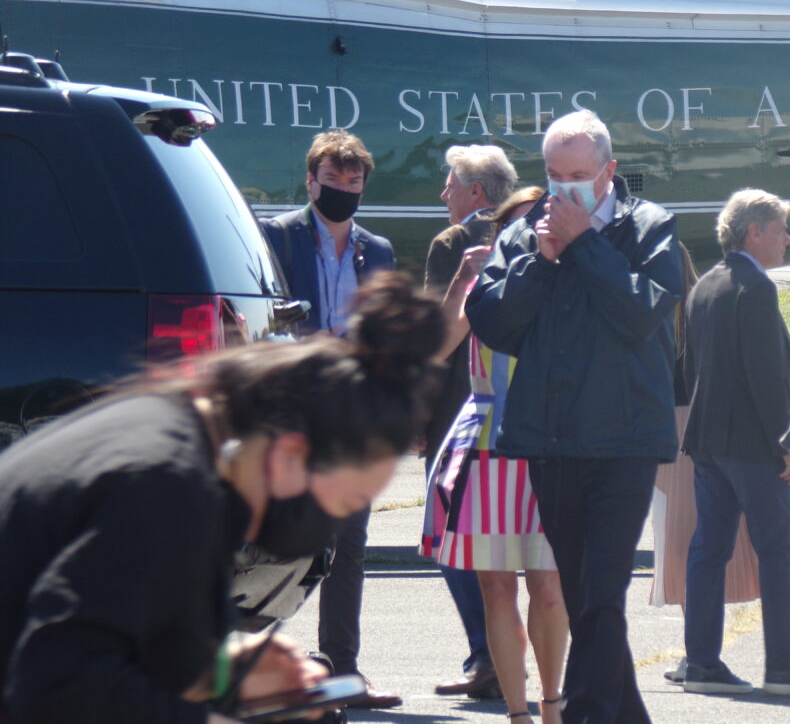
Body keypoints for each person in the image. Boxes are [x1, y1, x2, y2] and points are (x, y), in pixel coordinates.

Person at [0, 272, 445, 724]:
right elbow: (59, 687)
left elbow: (110, 633)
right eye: (345, 503)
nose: (336, 526)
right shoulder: (166, 487)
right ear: (292, 455)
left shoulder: (182, 439)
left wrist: (224, 668)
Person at [466, 109, 683, 724]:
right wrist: (542, 259)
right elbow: (494, 325)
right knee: (587, 595)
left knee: (603, 591)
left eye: (580, 174)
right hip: (551, 440)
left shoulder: (650, 226)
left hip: (626, 441)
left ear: (609, 171)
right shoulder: (524, 234)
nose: (566, 188)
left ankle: (587, 714)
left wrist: (585, 244)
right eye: (556, 175)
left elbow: (643, 315)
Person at [680, 189, 790, 697]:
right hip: (751, 446)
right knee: (777, 549)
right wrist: (788, 443)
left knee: (708, 550)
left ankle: (701, 662)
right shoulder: (755, 288)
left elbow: (689, 369)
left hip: (707, 442)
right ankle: (783, 662)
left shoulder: (705, 285)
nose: (789, 239)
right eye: (781, 229)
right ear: (755, 232)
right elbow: (766, 375)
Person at [259, 129, 400, 709]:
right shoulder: (277, 236)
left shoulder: (379, 251)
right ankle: (263, 674)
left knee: (349, 547)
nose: (344, 189)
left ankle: (343, 671)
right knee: (271, 550)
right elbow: (262, 318)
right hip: (291, 418)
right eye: (333, 179)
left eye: (353, 180)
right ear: (311, 180)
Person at [422, 186, 568, 724]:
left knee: (549, 584)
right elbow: (436, 347)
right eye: (519, 224)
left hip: (551, 443)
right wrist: (463, 278)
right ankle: (517, 713)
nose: (532, 232)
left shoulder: (565, 279)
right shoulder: (483, 281)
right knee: (495, 584)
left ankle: (550, 703)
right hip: (485, 441)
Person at [423, 145, 518, 700]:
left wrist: (418, 417)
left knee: (453, 542)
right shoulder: (531, 227)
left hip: (463, 411)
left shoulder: (454, 244)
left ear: (475, 191)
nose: (444, 195)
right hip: (525, 411)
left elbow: (440, 338)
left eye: (450, 185)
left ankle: (486, 655)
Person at [650, 240, 760, 685]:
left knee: (680, 545)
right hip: (700, 427)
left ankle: (696, 651)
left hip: (664, 430)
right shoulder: (706, 305)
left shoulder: (652, 312)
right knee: (697, 544)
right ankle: (698, 653)